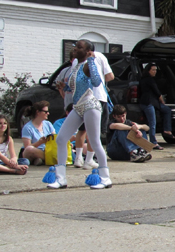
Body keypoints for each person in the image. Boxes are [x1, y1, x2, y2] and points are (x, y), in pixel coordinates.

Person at [44, 39, 112, 189]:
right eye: (75, 46)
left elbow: (96, 82)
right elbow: (77, 86)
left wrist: (92, 61)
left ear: (88, 51)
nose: (75, 49)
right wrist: (65, 86)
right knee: (61, 139)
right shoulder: (76, 66)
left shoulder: (89, 64)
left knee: (94, 141)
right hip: (78, 106)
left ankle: (105, 177)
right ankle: (61, 178)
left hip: (91, 105)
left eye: (79, 47)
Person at [66, 45, 114, 168]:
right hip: (97, 97)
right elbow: (109, 76)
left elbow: (73, 80)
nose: (75, 50)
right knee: (95, 133)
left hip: (81, 99)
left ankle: (78, 159)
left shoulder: (77, 61)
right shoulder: (100, 56)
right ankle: (89, 160)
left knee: (82, 130)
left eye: (77, 47)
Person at [139, 63, 172, 151]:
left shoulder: (142, 79)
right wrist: (162, 101)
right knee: (152, 123)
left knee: (167, 110)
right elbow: (157, 92)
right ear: (148, 70)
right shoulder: (150, 80)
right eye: (153, 70)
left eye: (156, 70)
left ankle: (167, 129)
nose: (155, 72)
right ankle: (153, 142)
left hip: (147, 103)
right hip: (148, 103)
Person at [20, 100, 56, 166]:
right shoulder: (27, 127)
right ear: (38, 112)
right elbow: (27, 147)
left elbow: (54, 138)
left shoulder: (48, 124)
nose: (48, 113)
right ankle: (48, 159)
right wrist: (40, 142)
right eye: (46, 112)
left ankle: (41, 160)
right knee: (29, 149)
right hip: (37, 151)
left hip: (49, 150)